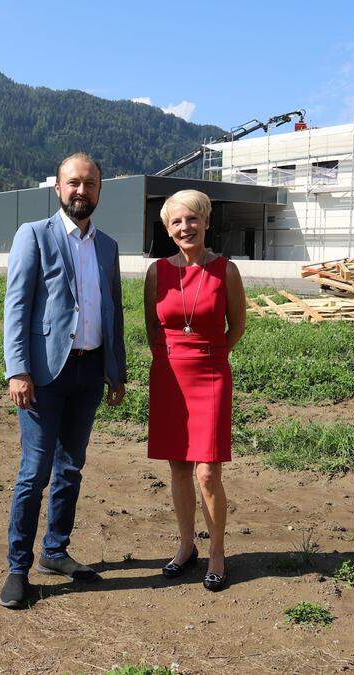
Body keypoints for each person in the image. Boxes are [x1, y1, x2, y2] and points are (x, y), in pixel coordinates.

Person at [0, 152, 128, 609]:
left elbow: (112, 310)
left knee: (71, 467)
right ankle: (18, 567)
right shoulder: (34, 235)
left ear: (99, 190)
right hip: (43, 376)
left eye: (90, 184)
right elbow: (17, 306)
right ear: (58, 188)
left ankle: (54, 552)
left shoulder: (108, 246)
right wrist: (17, 369)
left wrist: (117, 371)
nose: (81, 191)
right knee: (34, 473)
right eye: (73, 183)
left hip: (89, 372)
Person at [143, 189, 246, 592]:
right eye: (177, 222)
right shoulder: (157, 273)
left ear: (206, 222)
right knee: (179, 468)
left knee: (207, 471)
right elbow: (153, 328)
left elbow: (236, 325)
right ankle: (186, 546)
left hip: (211, 374)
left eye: (192, 219)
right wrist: (168, 358)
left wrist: (210, 355)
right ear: (168, 230)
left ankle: (217, 550)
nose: (186, 227)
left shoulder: (226, 270)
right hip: (168, 376)